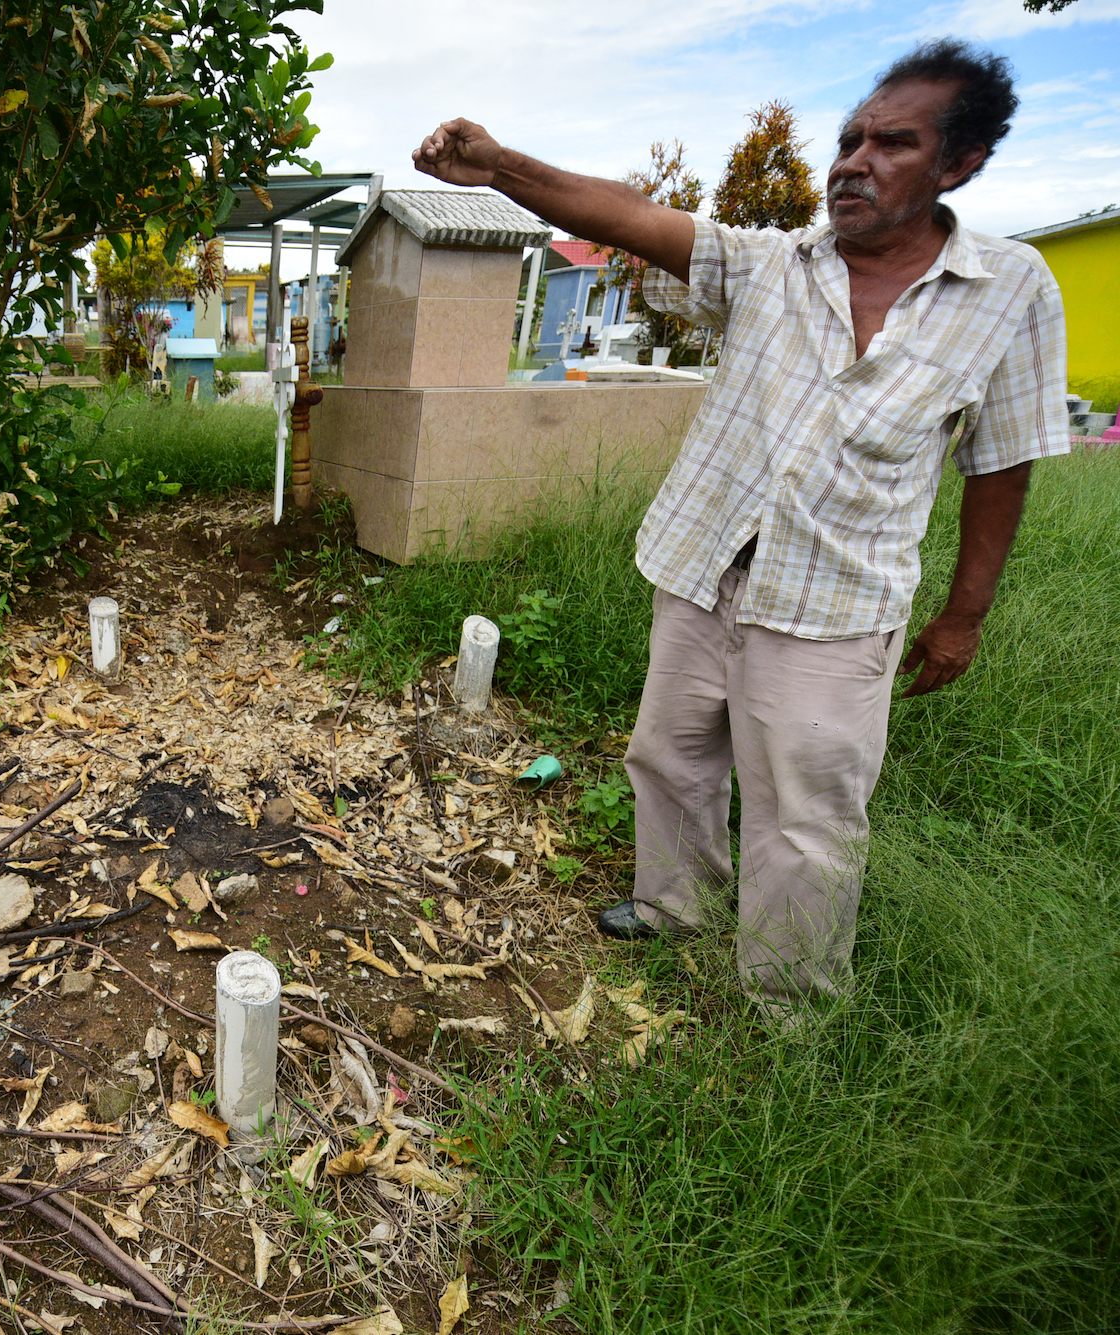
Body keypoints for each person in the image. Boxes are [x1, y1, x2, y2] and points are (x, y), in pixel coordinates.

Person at [414, 39, 1069, 1017]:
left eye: (891, 143)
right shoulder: (773, 266)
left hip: (834, 600)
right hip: (705, 564)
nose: (850, 161)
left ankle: (788, 1005)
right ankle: (674, 907)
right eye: (847, 138)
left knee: (803, 821)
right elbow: (633, 217)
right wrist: (501, 167)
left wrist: (962, 615)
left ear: (956, 165)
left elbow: (1000, 462)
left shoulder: (1007, 291)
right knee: (667, 756)